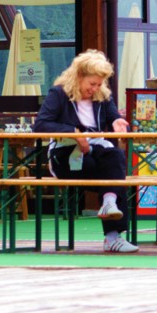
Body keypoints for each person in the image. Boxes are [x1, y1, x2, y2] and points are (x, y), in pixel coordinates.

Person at [33, 49, 138, 253]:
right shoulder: (59, 94)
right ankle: (112, 235)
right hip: (65, 156)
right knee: (114, 174)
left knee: (115, 158)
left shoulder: (102, 95)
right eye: (92, 84)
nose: (95, 88)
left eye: (99, 84)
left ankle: (109, 204)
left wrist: (117, 121)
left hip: (95, 152)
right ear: (79, 76)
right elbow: (40, 125)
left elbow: (112, 116)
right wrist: (73, 132)